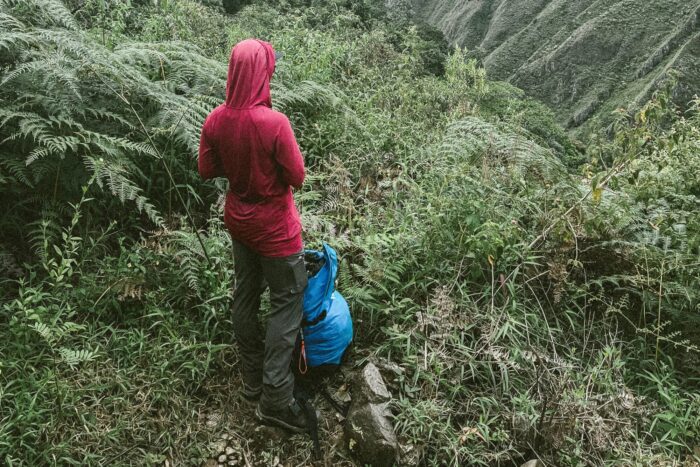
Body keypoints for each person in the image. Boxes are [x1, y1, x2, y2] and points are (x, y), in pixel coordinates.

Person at [198, 39, 309, 433]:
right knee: (286, 302)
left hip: (239, 223)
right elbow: (297, 176)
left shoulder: (215, 120)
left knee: (245, 295)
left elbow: (207, 170)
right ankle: (276, 398)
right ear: (263, 72)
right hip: (276, 232)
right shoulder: (274, 123)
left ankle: (251, 379)